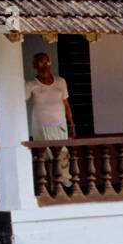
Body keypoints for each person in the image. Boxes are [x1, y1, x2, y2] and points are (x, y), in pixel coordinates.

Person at [25, 52, 75, 189]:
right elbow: (17, 100)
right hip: (41, 127)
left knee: (62, 155)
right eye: (40, 63)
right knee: (45, 157)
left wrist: (71, 125)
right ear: (35, 65)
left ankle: (64, 187)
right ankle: (48, 187)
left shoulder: (60, 82)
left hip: (60, 126)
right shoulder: (31, 85)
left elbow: (66, 105)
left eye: (47, 62)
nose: (44, 66)